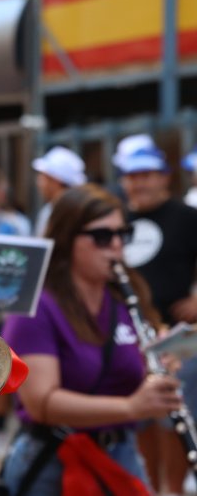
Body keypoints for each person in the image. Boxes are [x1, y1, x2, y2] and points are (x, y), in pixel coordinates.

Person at [0, 184, 182, 495]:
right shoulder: (35, 304)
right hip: (53, 462)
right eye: (102, 236)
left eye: (122, 234)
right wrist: (130, 408)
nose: (116, 245)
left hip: (121, 452)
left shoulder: (126, 296)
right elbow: (41, 403)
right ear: (67, 238)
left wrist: (161, 364)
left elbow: (131, 368)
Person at [116, 144, 197, 495]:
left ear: (165, 178)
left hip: (177, 337)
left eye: (147, 175)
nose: (140, 183)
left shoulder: (186, 217)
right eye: (132, 176)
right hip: (126, 334)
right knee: (141, 419)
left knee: (173, 416)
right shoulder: (116, 220)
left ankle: (172, 490)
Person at [31, 146, 87, 236]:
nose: (39, 183)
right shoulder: (47, 211)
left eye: (43, 177)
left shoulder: (77, 214)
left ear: (55, 181)